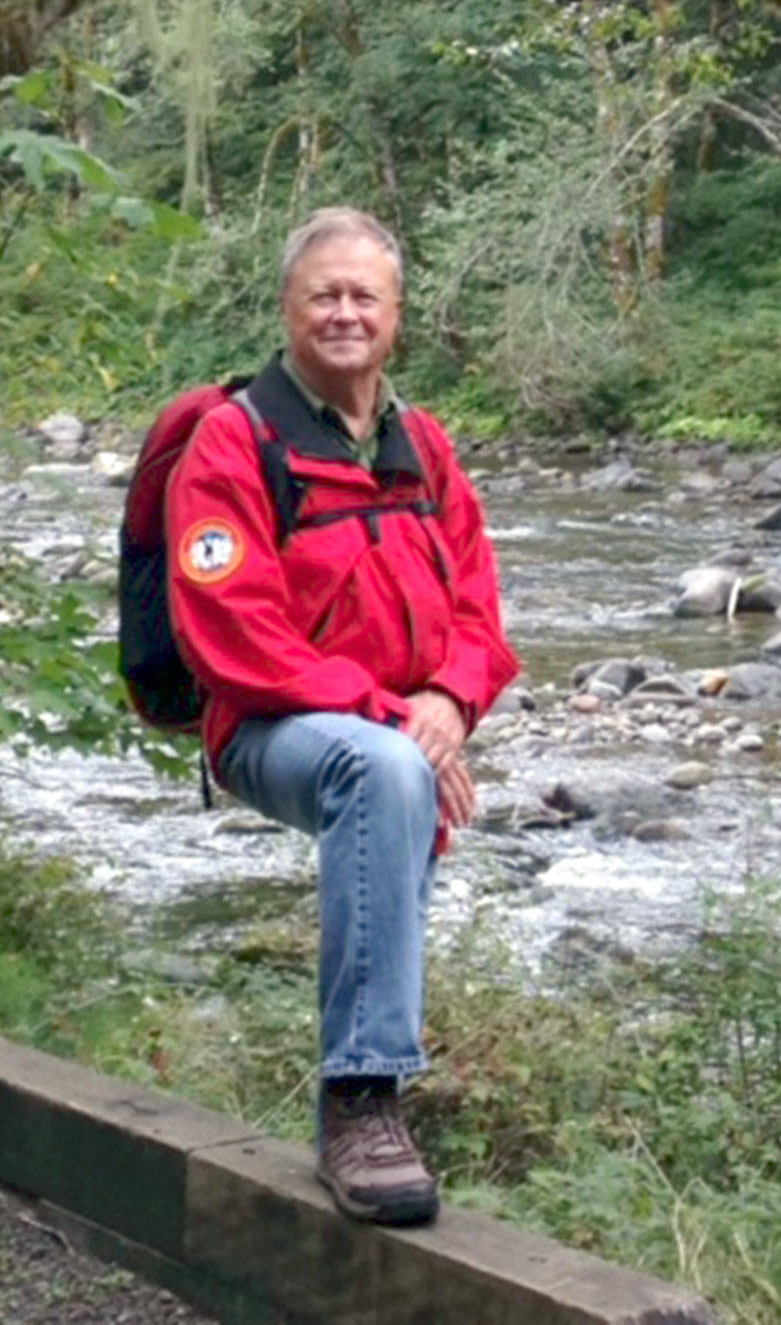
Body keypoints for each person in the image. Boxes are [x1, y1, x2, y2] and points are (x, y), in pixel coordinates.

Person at [165, 205, 518, 1227]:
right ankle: (361, 1099)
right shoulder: (233, 443)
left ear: (397, 314)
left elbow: (478, 607)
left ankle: (373, 1098)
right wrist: (393, 720)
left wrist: (448, 700)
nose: (345, 313)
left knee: (394, 768)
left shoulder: (422, 444)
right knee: (384, 768)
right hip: (267, 728)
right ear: (288, 307)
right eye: (324, 294)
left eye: (366, 295)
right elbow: (233, 634)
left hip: (399, 730)